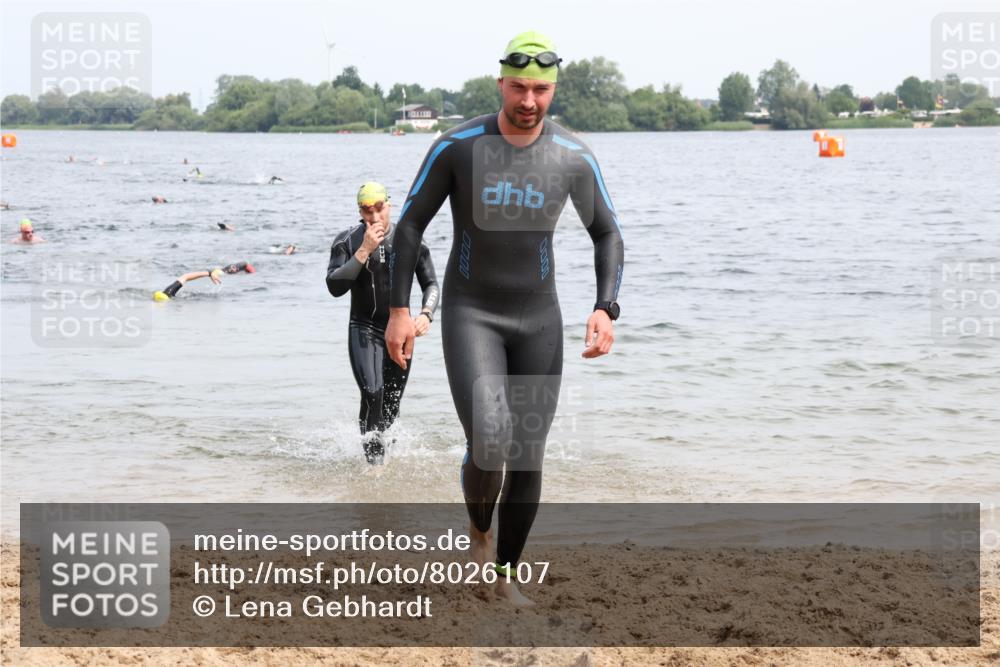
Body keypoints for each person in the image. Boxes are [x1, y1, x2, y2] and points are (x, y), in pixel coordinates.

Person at [385, 31, 624, 605]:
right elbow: (409, 225)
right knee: (490, 440)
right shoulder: (457, 146)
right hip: (473, 313)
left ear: (553, 90)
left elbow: (608, 233)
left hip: (539, 318)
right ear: (500, 84)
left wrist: (605, 306)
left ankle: (505, 576)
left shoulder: (573, 156)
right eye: (518, 87)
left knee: (528, 455)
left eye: (541, 90)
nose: (529, 101)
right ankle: (479, 534)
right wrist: (398, 310)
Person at [327, 182, 440, 465]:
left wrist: (426, 314)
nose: (375, 217)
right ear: (360, 211)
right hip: (363, 327)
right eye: (368, 211)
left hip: (400, 331)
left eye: (380, 208)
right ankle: (374, 466)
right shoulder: (347, 241)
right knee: (372, 392)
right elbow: (334, 287)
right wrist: (364, 250)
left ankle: (387, 457)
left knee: (390, 402)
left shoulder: (409, 239)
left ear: (389, 205)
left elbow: (431, 284)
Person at [153, 262, 255, 301]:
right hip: (208, 282)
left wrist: (210, 273)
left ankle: (249, 269)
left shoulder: (169, 291)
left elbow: (185, 276)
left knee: (226, 272)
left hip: (215, 275)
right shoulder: (169, 294)